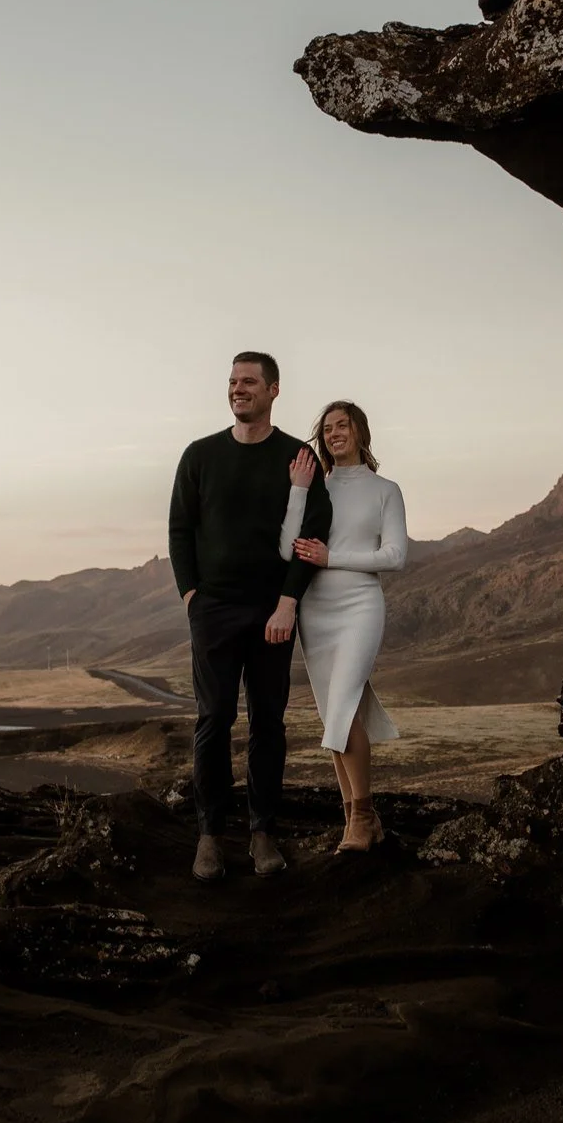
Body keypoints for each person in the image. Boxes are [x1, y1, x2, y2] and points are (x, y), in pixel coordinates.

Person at [168, 352, 332, 883]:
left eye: (250, 382)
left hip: (272, 612)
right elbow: (180, 530)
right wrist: (191, 594)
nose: (239, 389)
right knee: (213, 719)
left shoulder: (297, 457)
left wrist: (288, 601)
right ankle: (210, 836)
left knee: (268, 720)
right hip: (213, 609)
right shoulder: (199, 456)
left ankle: (263, 832)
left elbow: (312, 534)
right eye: (233, 382)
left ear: (273, 390)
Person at [279, 401, 408, 852]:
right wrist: (298, 490)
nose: (334, 434)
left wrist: (333, 558)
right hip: (317, 609)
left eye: (343, 426)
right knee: (333, 714)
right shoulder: (317, 488)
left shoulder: (385, 490)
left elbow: (395, 556)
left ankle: (364, 816)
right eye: (327, 428)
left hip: (360, 606)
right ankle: (355, 818)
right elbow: (286, 548)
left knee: (344, 708)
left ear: (360, 432)